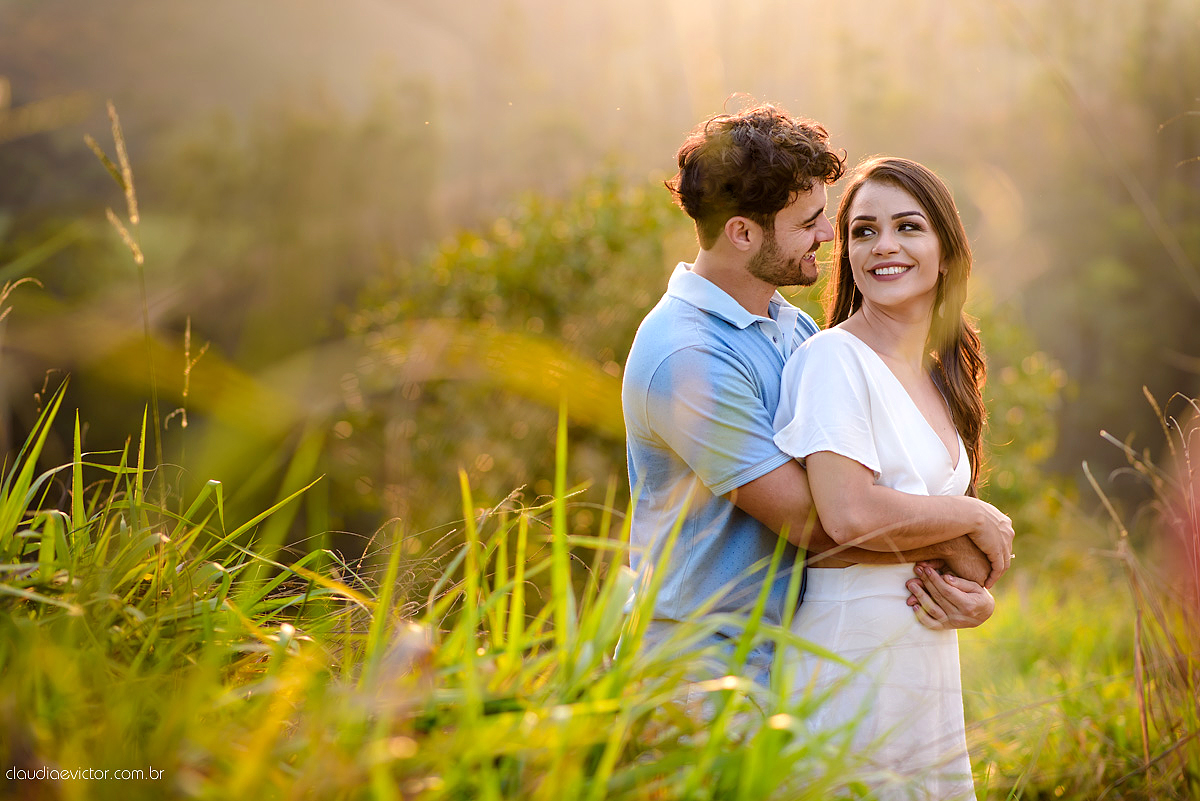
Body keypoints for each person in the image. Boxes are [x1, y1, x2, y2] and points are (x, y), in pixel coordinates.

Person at [621, 100, 1013, 684]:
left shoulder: (795, 328)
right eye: (808, 223)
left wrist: (964, 586)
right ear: (742, 233)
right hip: (698, 668)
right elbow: (816, 521)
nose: (828, 236)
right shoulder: (686, 355)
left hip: (782, 658)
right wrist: (959, 540)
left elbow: (857, 498)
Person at [773, 156, 994, 798]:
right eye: (864, 231)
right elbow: (848, 515)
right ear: (846, 254)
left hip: (924, 665)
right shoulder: (833, 360)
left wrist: (975, 598)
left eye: (908, 226)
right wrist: (973, 517)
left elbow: (943, 541)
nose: (884, 245)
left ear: (946, 252)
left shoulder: (943, 376)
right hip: (850, 656)